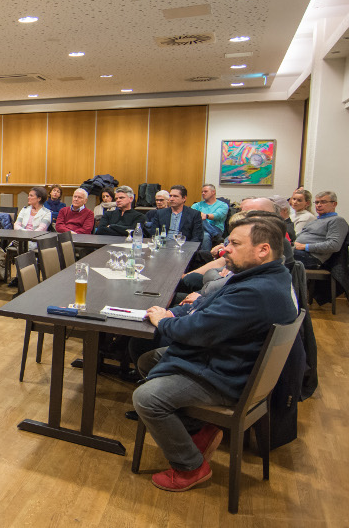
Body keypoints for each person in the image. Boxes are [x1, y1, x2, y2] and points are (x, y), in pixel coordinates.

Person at [132, 215, 297, 492]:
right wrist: (175, 314)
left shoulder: (255, 292)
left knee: (147, 398)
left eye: (234, 243)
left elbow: (197, 330)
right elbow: (206, 309)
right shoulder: (266, 276)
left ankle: (190, 467)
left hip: (228, 375)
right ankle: (198, 429)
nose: (225, 249)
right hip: (233, 359)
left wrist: (164, 321)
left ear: (263, 250)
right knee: (148, 359)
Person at [293, 190, 349, 269]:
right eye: (316, 202)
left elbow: (334, 245)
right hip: (299, 252)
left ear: (334, 204)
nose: (318, 205)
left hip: (311, 257)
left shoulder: (337, 220)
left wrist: (305, 246)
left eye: (323, 202)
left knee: (278, 254)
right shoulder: (315, 221)